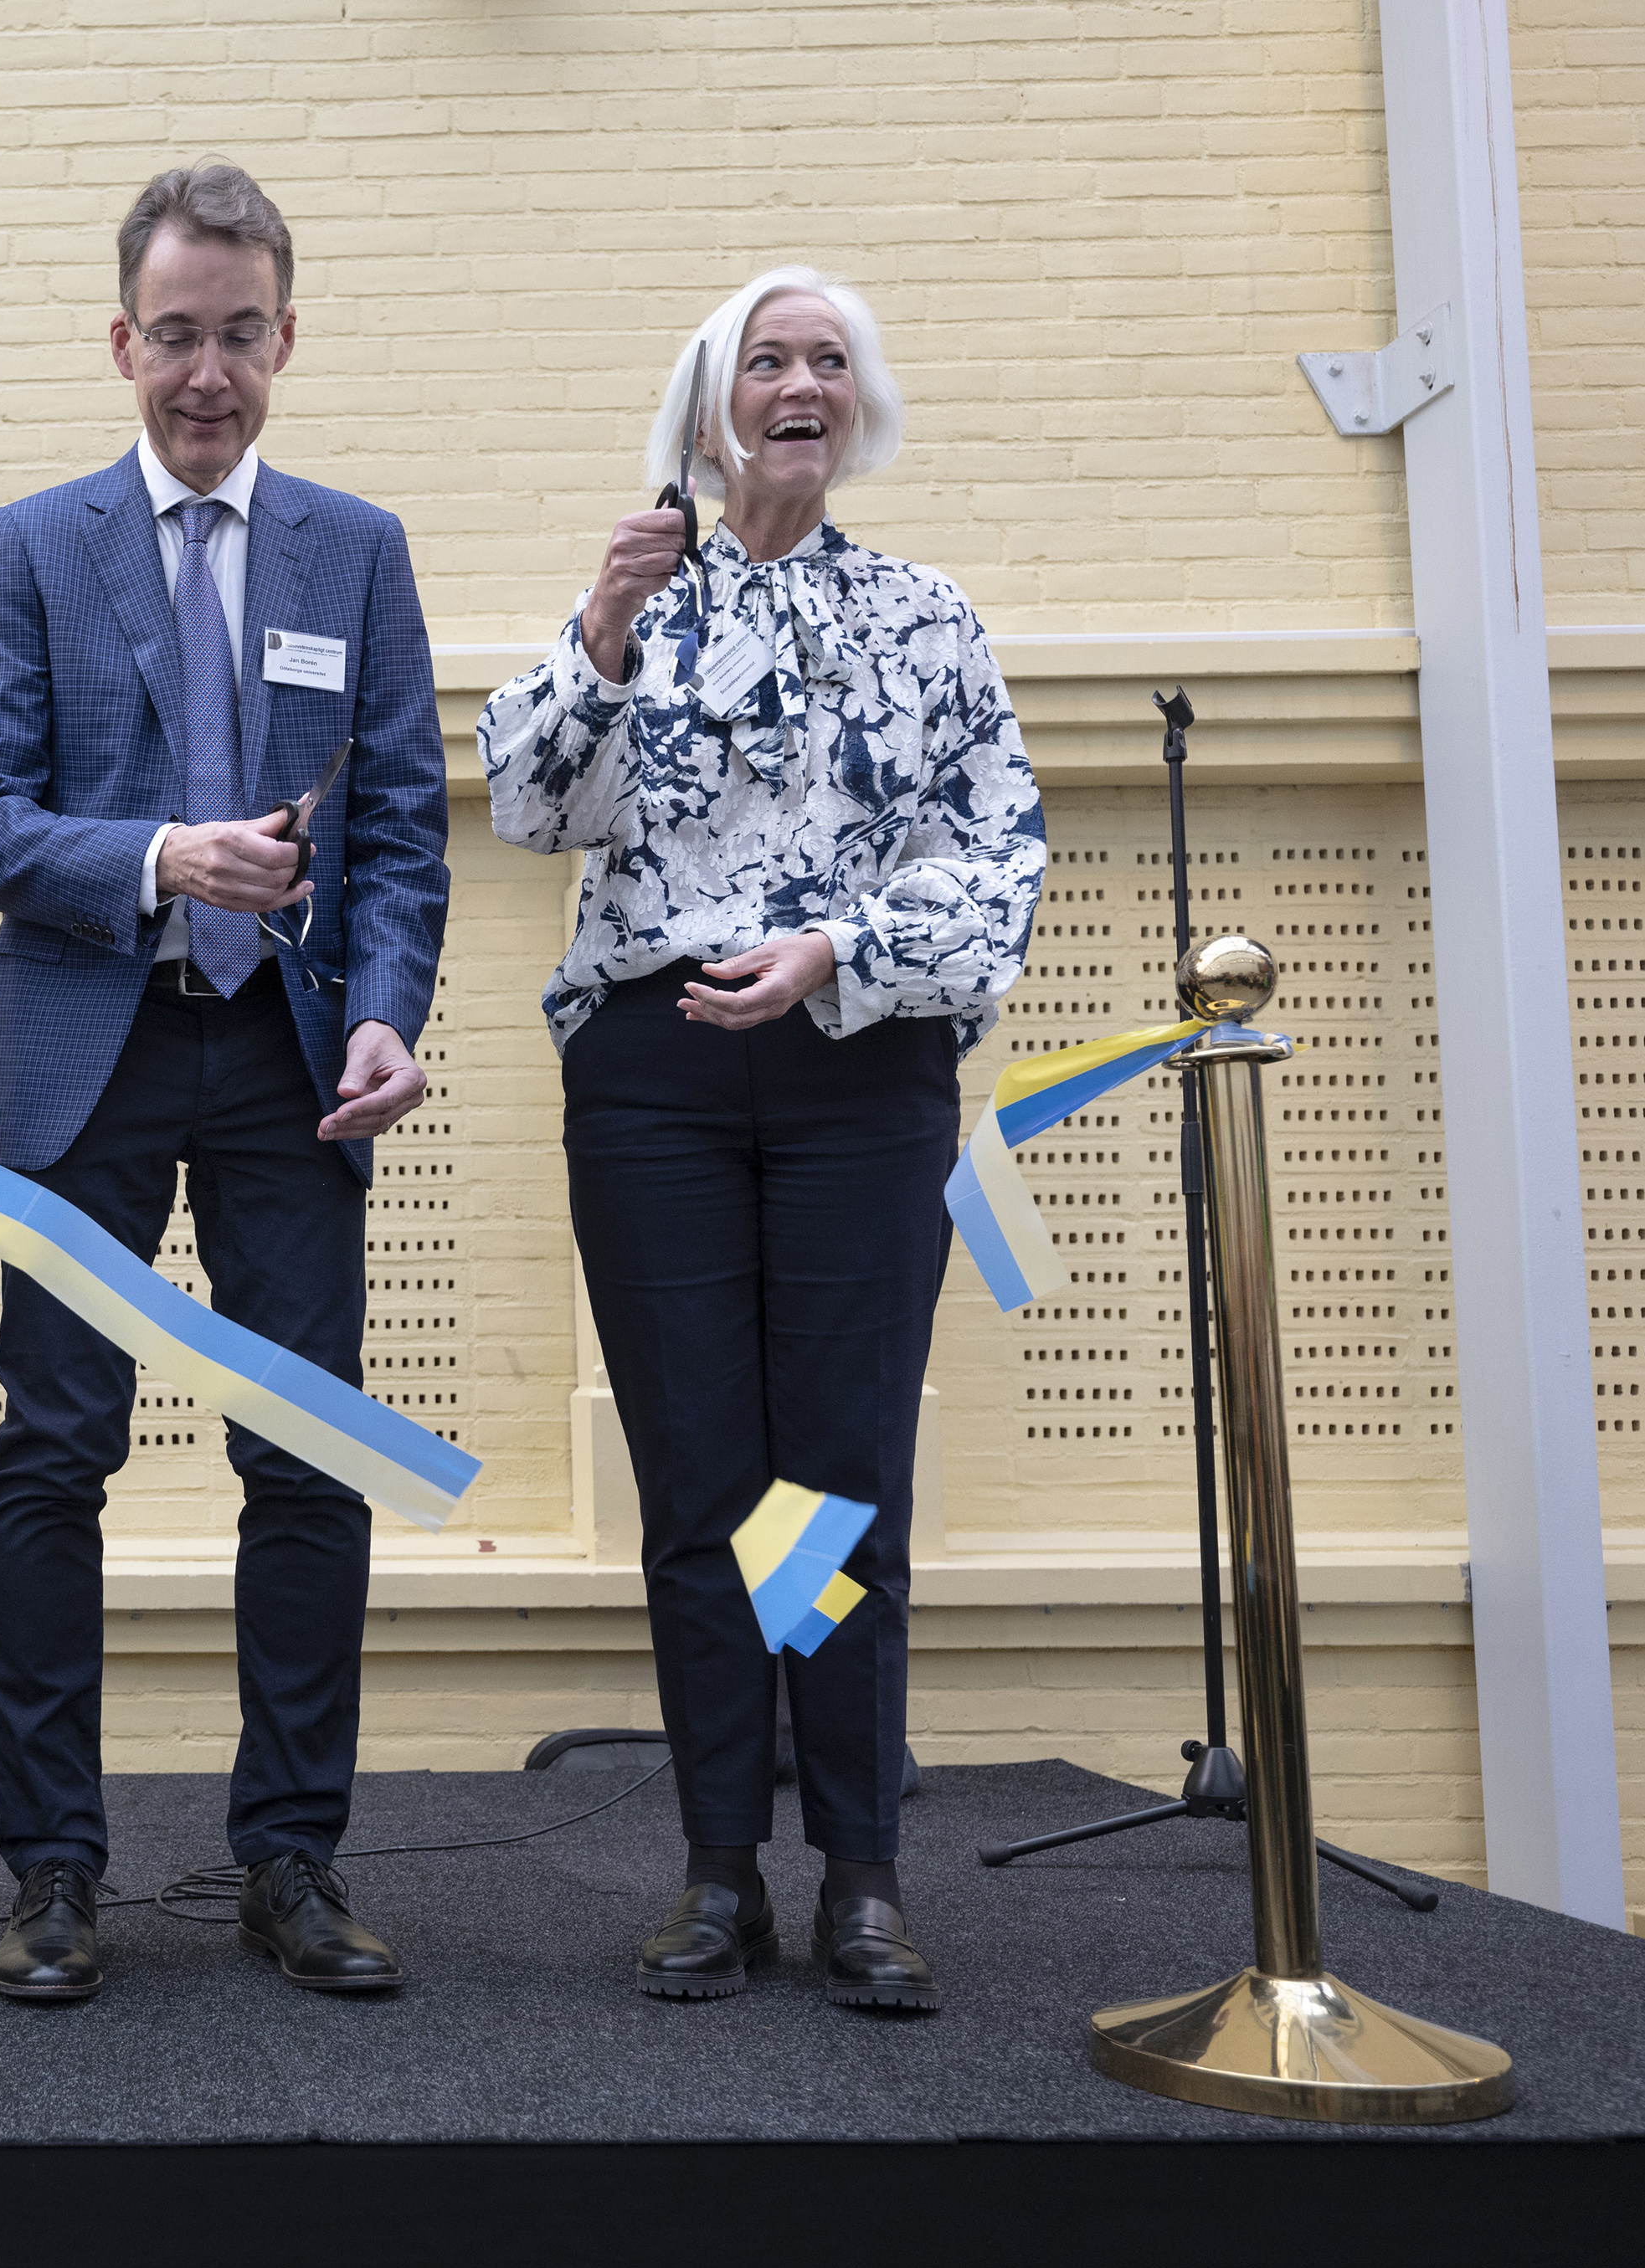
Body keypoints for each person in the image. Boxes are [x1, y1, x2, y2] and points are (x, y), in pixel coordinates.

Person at [477, 267, 1046, 2014]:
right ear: (708, 406)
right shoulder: (639, 595)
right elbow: (520, 805)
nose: (799, 382)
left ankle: (862, 1876)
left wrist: (841, 954)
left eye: (827, 362)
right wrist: (596, 640)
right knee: (707, 1488)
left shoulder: (928, 617)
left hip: (856, 1071)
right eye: (765, 360)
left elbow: (1004, 858)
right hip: (653, 1081)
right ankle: (719, 1868)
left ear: (853, 406)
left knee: (842, 1478)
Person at [0, 165, 452, 2004]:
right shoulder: (39, 546)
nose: (209, 373)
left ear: (285, 339)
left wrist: (389, 1007)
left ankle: (291, 1861)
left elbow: (399, 827)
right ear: (123, 342)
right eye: (178, 336)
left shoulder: (357, 550)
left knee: (303, 1454)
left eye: (242, 335)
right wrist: (163, 857)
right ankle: (53, 1872)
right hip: (96, 1047)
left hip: (296, 1061)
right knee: (54, 1452)